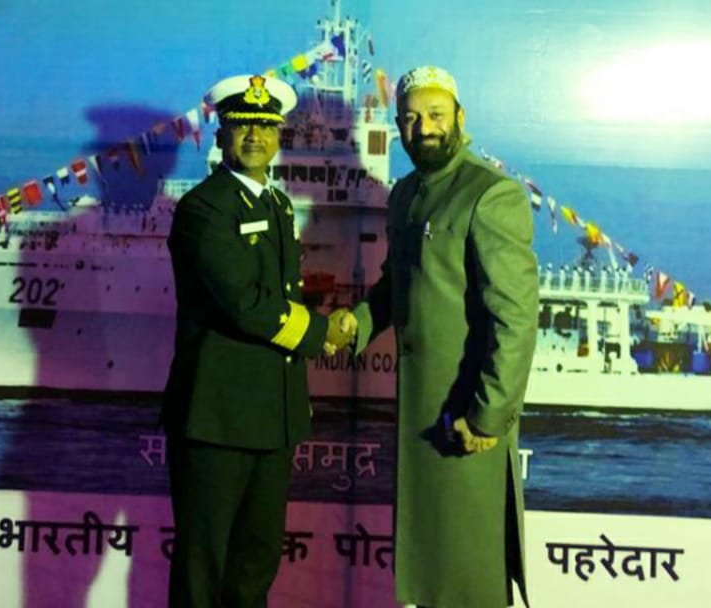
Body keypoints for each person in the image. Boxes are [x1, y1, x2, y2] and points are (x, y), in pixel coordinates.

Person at [348, 65, 540, 607]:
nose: (422, 128)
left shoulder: (490, 194)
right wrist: (357, 323)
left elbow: (516, 318)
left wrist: (488, 414)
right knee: (432, 577)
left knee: (469, 578)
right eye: (409, 118)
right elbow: (397, 284)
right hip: (419, 419)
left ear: (460, 117)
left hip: (466, 415)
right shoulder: (406, 194)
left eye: (435, 115)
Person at [162, 72, 353, 608]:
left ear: (279, 137)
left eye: (266, 128)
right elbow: (246, 305)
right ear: (221, 134)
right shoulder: (205, 208)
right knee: (204, 566)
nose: (254, 137)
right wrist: (323, 333)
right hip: (216, 417)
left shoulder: (277, 204)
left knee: (256, 563)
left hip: (273, 417)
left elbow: (277, 295)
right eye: (242, 125)